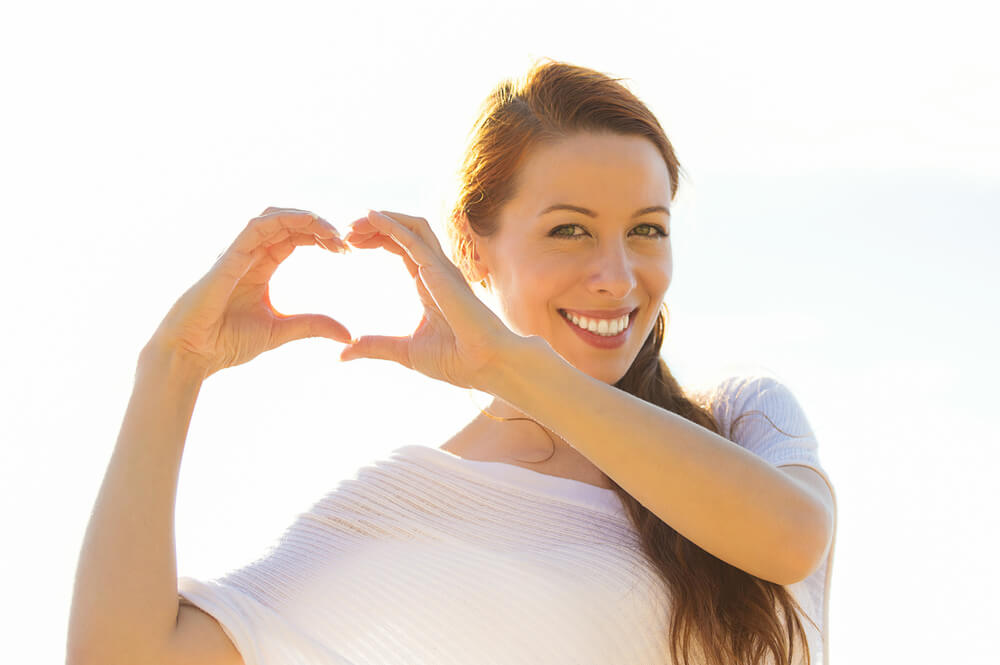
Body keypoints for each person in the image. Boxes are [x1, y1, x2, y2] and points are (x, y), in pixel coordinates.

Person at [67, 59, 837, 665]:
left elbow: (790, 540)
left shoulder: (743, 415)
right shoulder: (416, 504)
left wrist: (509, 366)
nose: (618, 274)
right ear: (473, 247)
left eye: (647, 229)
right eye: (569, 231)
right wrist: (169, 368)